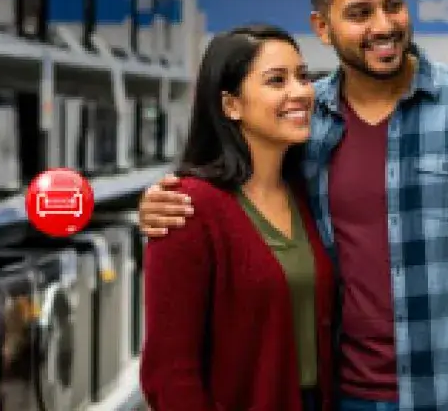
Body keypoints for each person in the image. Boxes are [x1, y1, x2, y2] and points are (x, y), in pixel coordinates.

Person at [139, 0, 448, 411]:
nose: (384, 26)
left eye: (393, 5)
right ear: (323, 27)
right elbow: (243, 191)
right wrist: (161, 202)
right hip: (340, 396)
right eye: (360, 14)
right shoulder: (306, 124)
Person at [139, 24, 337, 411]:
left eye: (302, 76)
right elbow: (169, 372)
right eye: (277, 80)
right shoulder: (188, 207)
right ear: (231, 105)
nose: (300, 91)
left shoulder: (305, 192)